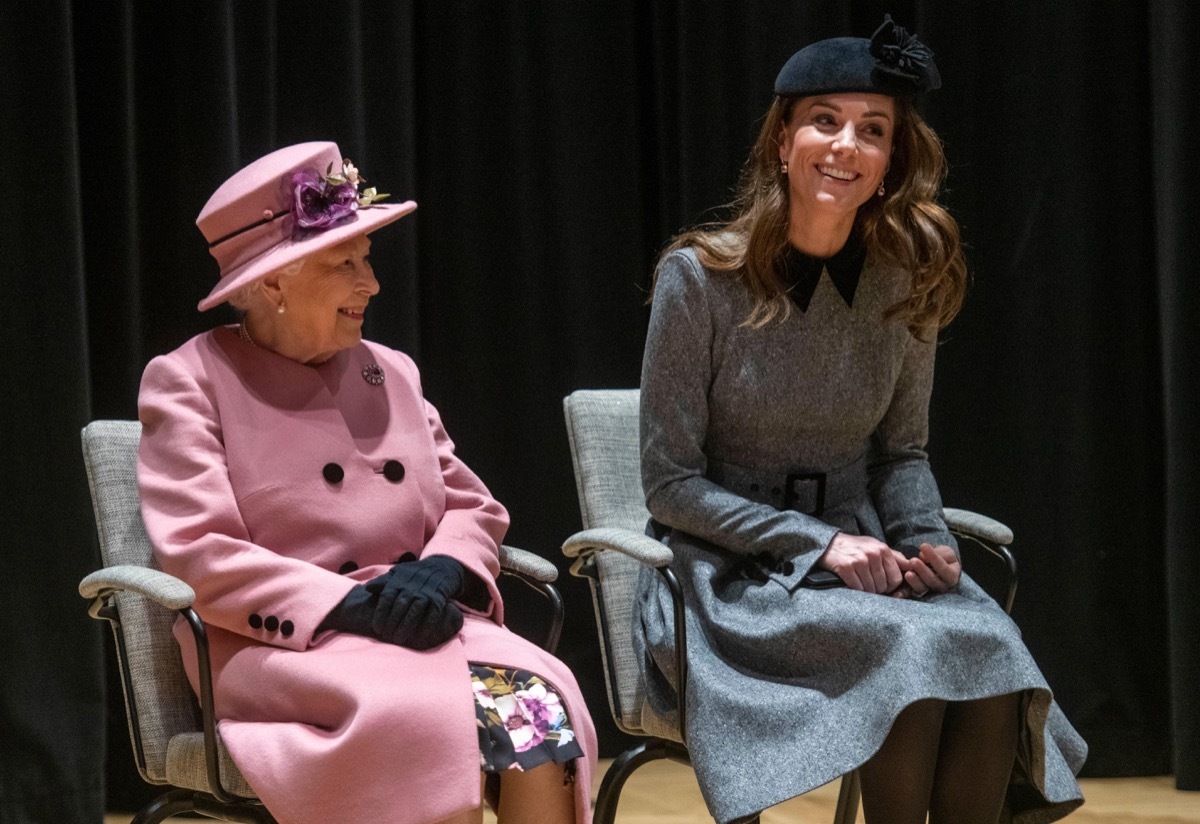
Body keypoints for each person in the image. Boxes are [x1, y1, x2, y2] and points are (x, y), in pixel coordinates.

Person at [633, 17, 1086, 824]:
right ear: (783, 140)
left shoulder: (906, 277)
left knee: (990, 654)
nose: (846, 146)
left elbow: (901, 452)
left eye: (872, 131)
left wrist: (924, 539)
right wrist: (818, 545)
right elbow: (669, 485)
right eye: (825, 121)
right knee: (910, 653)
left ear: (890, 163)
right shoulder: (698, 278)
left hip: (867, 550)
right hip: (736, 577)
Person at [137, 141, 596, 824]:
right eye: (344, 262)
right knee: (427, 725)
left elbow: (471, 504)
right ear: (272, 282)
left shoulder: (392, 371)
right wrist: (348, 607)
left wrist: (441, 570)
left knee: (539, 716)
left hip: (426, 623)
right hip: (285, 649)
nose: (371, 284)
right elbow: (201, 552)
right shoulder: (189, 381)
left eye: (367, 258)